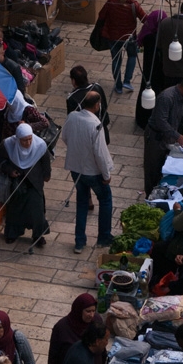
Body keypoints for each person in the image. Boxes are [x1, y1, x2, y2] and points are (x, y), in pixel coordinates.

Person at [61, 92, 114, 254]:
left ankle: (79, 241)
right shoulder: (95, 124)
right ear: (97, 105)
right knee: (105, 199)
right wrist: (106, 175)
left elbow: (65, 137)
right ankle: (104, 237)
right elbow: (100, 153)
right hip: (93, 172)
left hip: (76, 169)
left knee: (82, 202)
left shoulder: (72, 117)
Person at [0, 122, 52, 248]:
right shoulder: (7, 145)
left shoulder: (40, 145)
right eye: (24, 140)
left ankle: (38, 235)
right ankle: (12, 233)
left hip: (34, 182)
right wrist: (9, 170)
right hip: (16, 184)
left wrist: (46, 175)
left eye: (29, 139)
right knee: (15, 209)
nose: (27, 143)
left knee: (37, 210)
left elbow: (45, 161)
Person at [96, 0, 144, 93]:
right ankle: (127, 81)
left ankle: (118, 86)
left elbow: (101, 16)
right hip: (129, 38)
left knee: (116, 60)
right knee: (132, 56)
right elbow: (144, 19)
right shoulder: (134, 5)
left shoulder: (111, 2)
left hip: (113, 37)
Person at [47, 295, 97, 364]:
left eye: (93, 311)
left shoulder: (96, 323)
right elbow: (53, 358)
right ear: (79, 310)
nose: (92, 315)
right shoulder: (61, 328)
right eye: (88, 311)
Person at [134, 6, 168, 129]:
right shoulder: (155, 38)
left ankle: (141, 118)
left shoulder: (148, 33)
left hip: (148, 70)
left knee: (145, 91)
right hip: (156, 71)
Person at [66, 66, 110, 143]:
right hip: (102, 131)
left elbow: (72, 120)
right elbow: (105, 107)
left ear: (73, 80)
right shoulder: (97, 87)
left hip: (85, 137)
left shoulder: (72, 98)